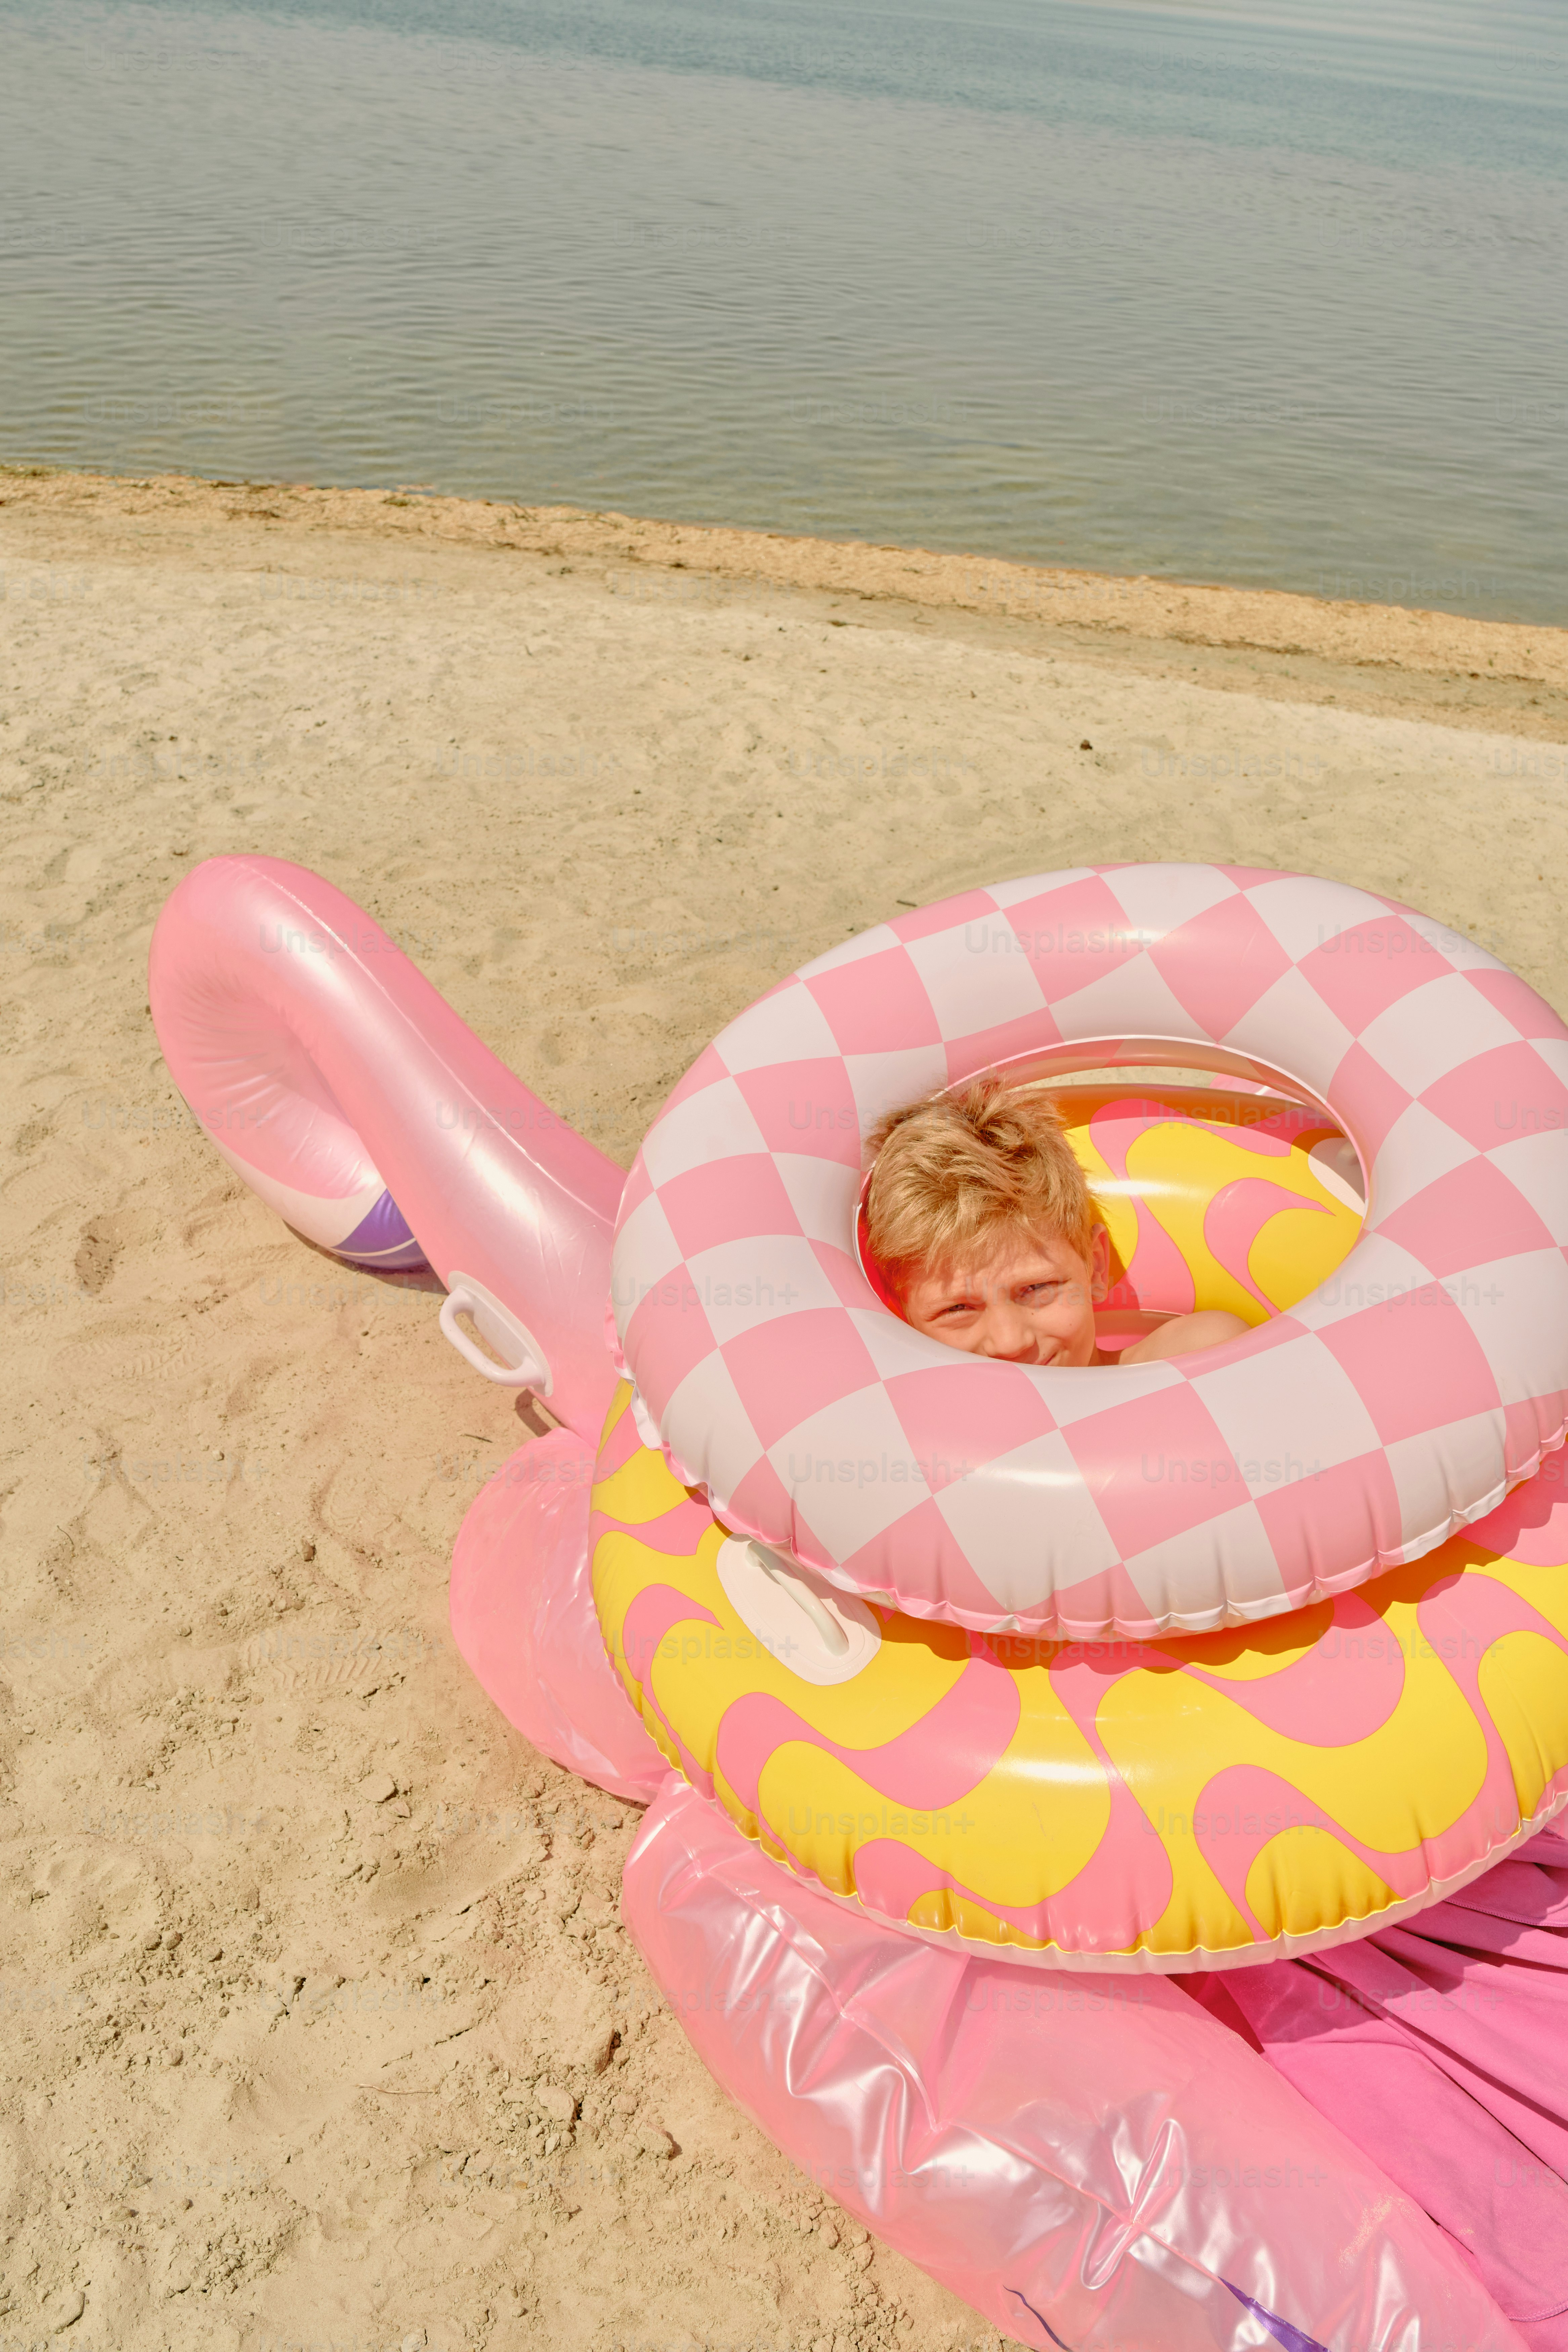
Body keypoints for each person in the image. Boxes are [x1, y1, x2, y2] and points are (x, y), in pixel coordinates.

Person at [863, 1073, 1248, 1365]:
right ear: (903, 1317)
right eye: (956, 1309)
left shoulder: (1190, 1358)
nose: (1010, 1342)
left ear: (1095, 1267)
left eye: (1036, 1288)